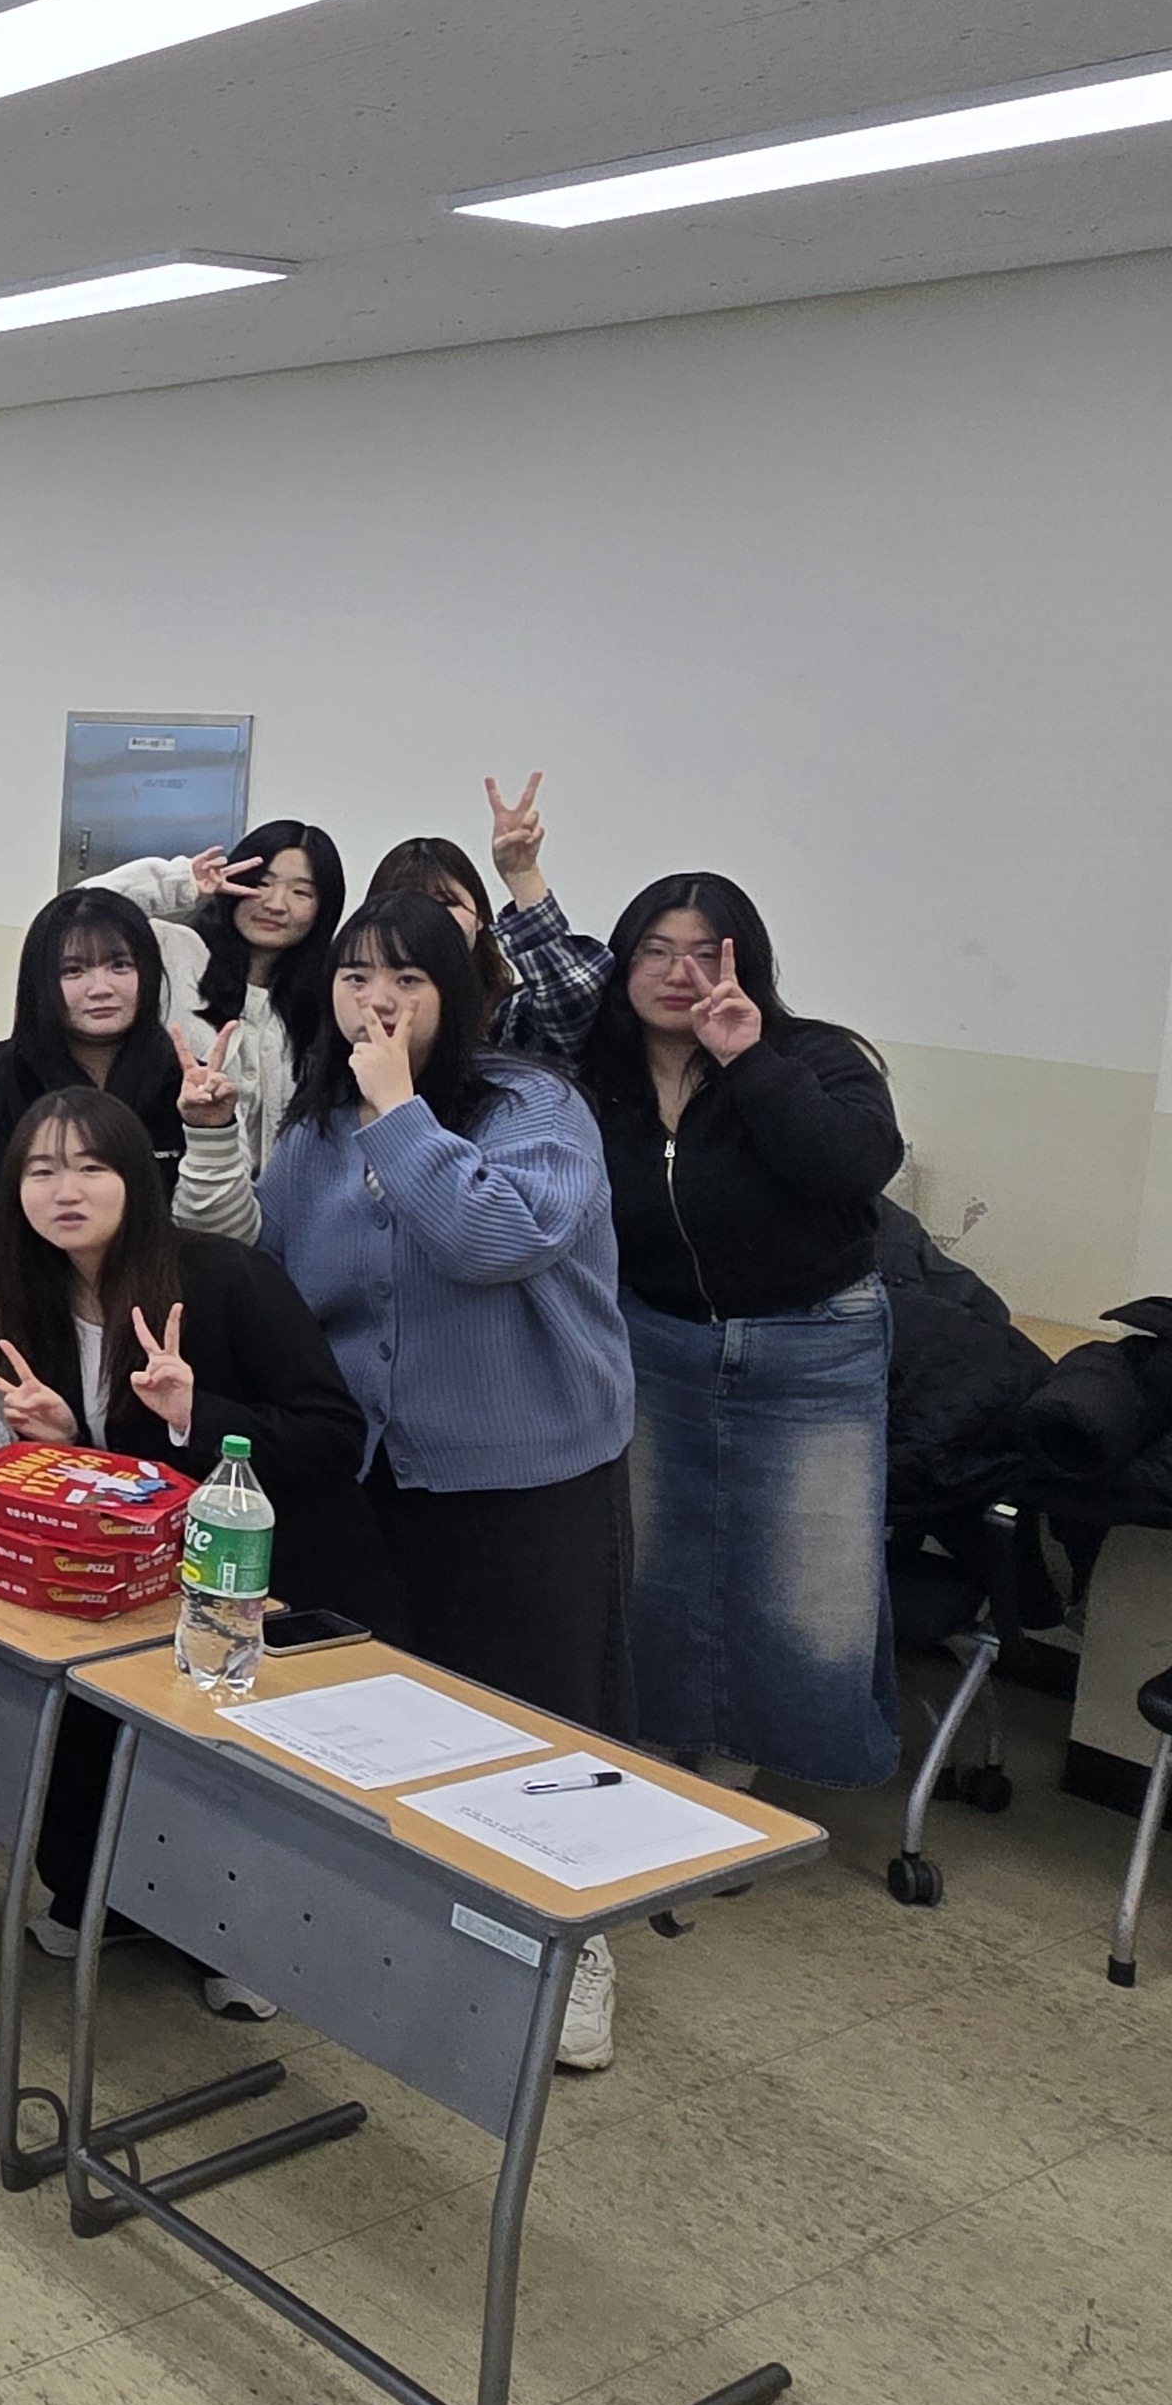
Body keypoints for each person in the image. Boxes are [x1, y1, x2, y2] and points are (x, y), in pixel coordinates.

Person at [255, 891, 637, 2070]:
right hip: (376, 1470)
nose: (378, 1002)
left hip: (525, 1472)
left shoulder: (537, 1109)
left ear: (458, 995)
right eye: (355, 977)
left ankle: (575, 1945)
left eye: (408, 980)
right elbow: (278, 1278)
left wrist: (400, 1114)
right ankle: (398, 1916)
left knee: (539, 1724)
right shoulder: (314, 1128)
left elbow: (489, 1241)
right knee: (383, 1715)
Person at [0, 1086, 369, 2017]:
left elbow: (333, 1437)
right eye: (42, 1170)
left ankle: (240, 1936)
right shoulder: (30, 1294)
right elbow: (117, 1474)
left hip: (265, 1582)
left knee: (215, 1761)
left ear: (138, 1180)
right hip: (134, 1580)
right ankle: (108, 1895)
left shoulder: (223, 1277)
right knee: (82, 1711)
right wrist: (65, 1444)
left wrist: (196, 1415)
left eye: (91, 1167)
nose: (66, 1191)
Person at [575, 875, 905, 1791]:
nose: (676, 973)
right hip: (657, 1342)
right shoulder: (595, 1077)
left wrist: (749, 1061)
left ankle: (740, 1771)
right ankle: (653, 1750)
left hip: (811, 1347)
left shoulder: (815, 1055)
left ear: (743, 962)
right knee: (656, 1565)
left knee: (803, 1578)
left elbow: (855, 1165)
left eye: (700, 953)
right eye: (654, 951)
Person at [0, 887, 258, 1312]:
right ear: (40, 982)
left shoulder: (195, 1086)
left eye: (120, 965)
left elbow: (227, 1237)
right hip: (7, 1335)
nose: (100, 988)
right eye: (73, 971)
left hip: (156, 1337)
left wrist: (210, 1133)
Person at [90, 820, 344, 1158]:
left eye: (301, 893)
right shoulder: (174, 952)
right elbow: (79, 912)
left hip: (264, 1191)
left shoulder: (325, 1000)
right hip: (164, 1175)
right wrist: (180, 883)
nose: (275, 904)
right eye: (262, 883)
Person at [367, 774, 615, 1060]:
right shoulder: (355, 1007)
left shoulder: (509, 1017)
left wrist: (522, 875)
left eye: (446, 903)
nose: (428, 918)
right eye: (409, 903)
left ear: (480, 916)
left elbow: (574, 996)